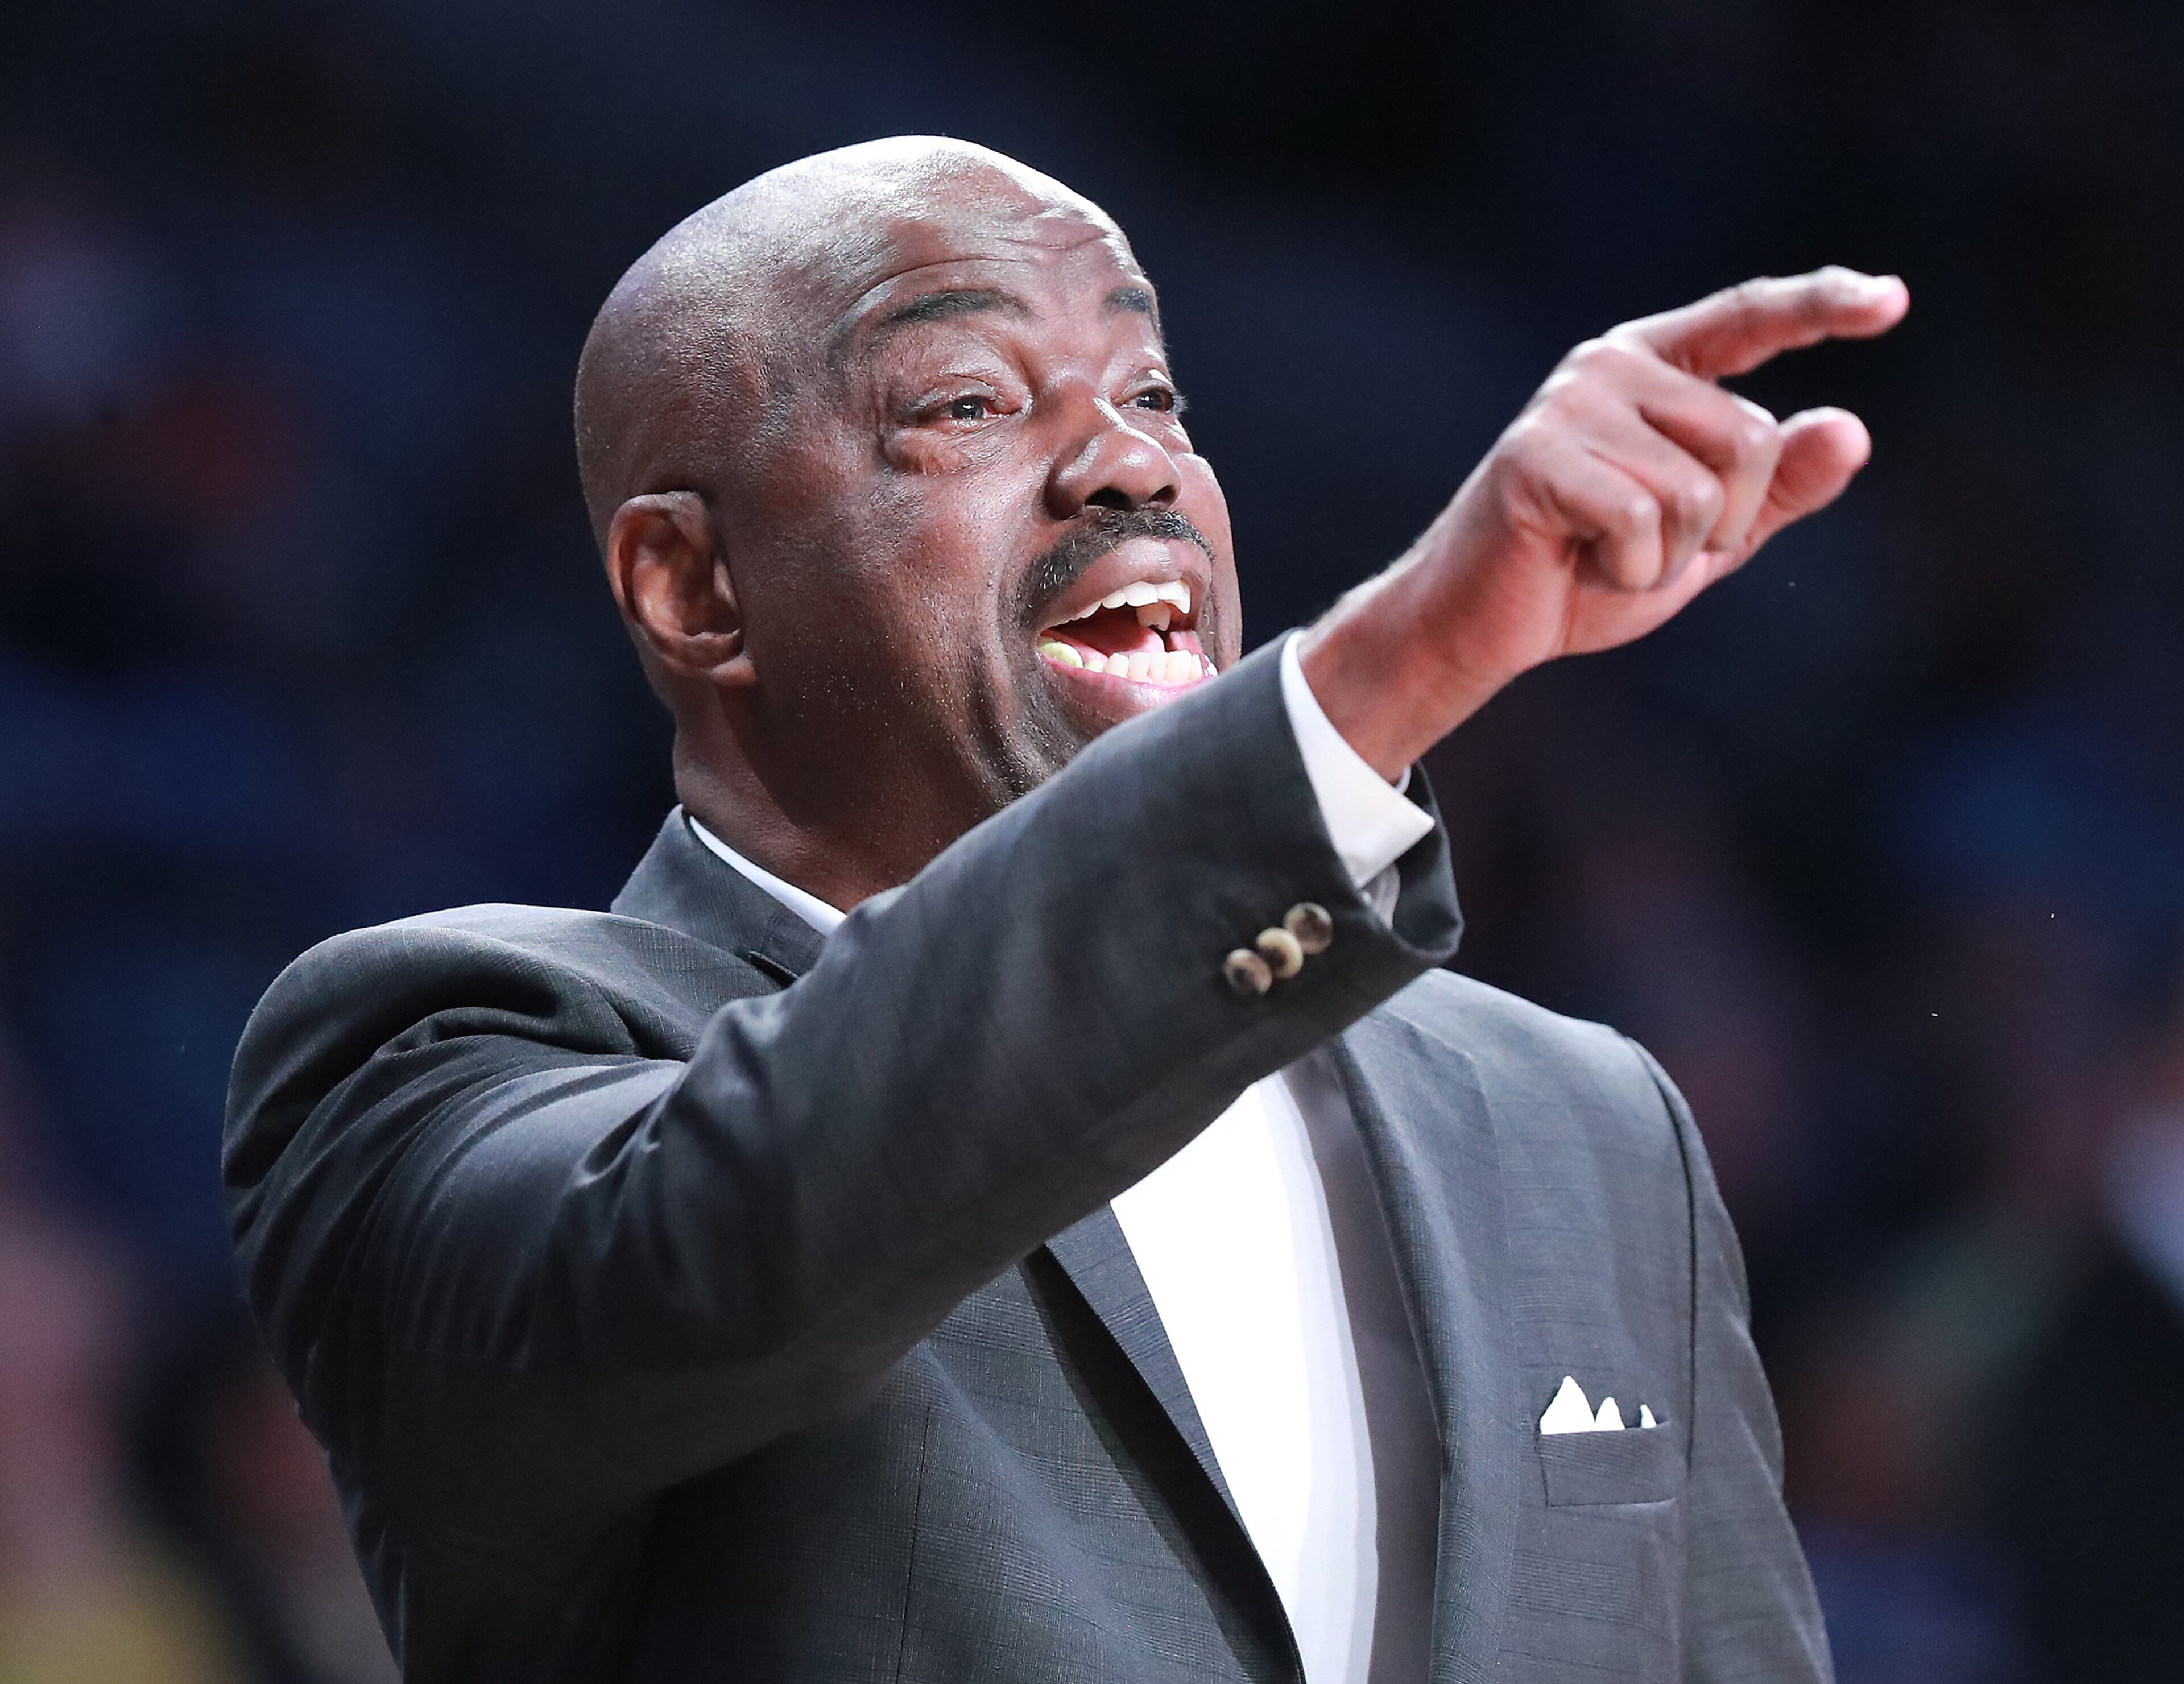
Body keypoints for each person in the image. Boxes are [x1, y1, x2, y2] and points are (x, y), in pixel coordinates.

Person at [223, 137, 1908, 1684]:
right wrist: (1378, 684)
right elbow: (732, 1239)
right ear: (694, 586)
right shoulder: (454, 1053)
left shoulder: (1576, 1121)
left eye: (1154, 390)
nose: (1128, 463)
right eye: (969, 403)